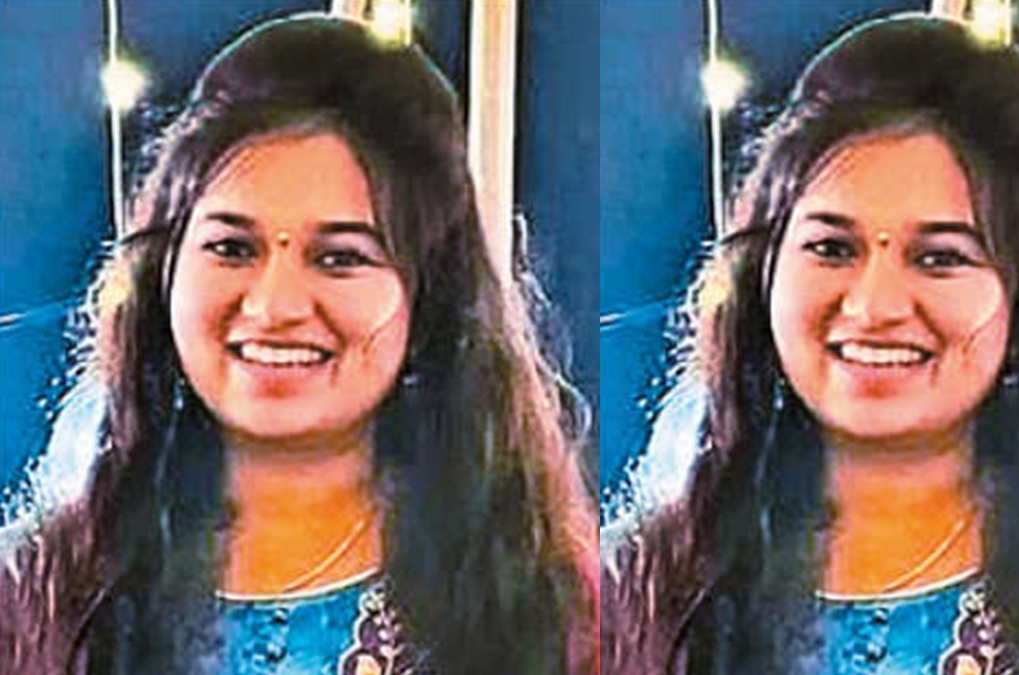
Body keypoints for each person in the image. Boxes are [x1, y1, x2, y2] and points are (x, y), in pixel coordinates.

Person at [602, 13, 1019, 674]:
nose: (875, 306)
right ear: (764, 271)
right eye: (833, 248)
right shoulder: (642, 596)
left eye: (940, 258)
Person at [0, 13, 597, 674]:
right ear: (164, 271)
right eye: (232, 248)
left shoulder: (548, 608)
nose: (274, 306)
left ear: (429, 297)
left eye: (340, 258)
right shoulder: (36, 600)